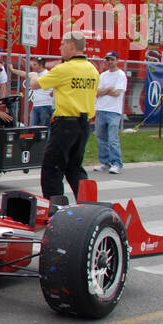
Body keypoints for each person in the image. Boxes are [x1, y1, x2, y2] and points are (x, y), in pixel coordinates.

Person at [33, 31, 98, 201]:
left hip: (65, 125)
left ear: (72, 45)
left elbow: (35, 84)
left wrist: (33, 75)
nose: (60, 47)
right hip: (83, 124)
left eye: (62, 43)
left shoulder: (64, 69)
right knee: (74, 167)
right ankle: (87, 203)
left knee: (52, 167)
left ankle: (55, 207)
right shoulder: (92, 70)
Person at [93, 52, 127, 174]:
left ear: (117, 60)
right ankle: (104, 162)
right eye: (107, 60)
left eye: (112, 59)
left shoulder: (121, 75)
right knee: (101, 137)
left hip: (114, 111)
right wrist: (108, 89)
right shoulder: (103, 75)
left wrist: (105, 91)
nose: (109, 62)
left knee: (112, 139)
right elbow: (97, 92)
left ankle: (116, 163)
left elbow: (117, 92)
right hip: (101, 108)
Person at [27, 56, 55, 126]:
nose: (32, 66)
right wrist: (12, 69)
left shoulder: (48, 74)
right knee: (33, 128)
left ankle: (47, 137)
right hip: (36, 105)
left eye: (35, 64)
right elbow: (23, 73)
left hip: (45, 104)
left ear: (41, 65)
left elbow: (57, 84)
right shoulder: (35, 74)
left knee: (45, 128)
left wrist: (53, 92)